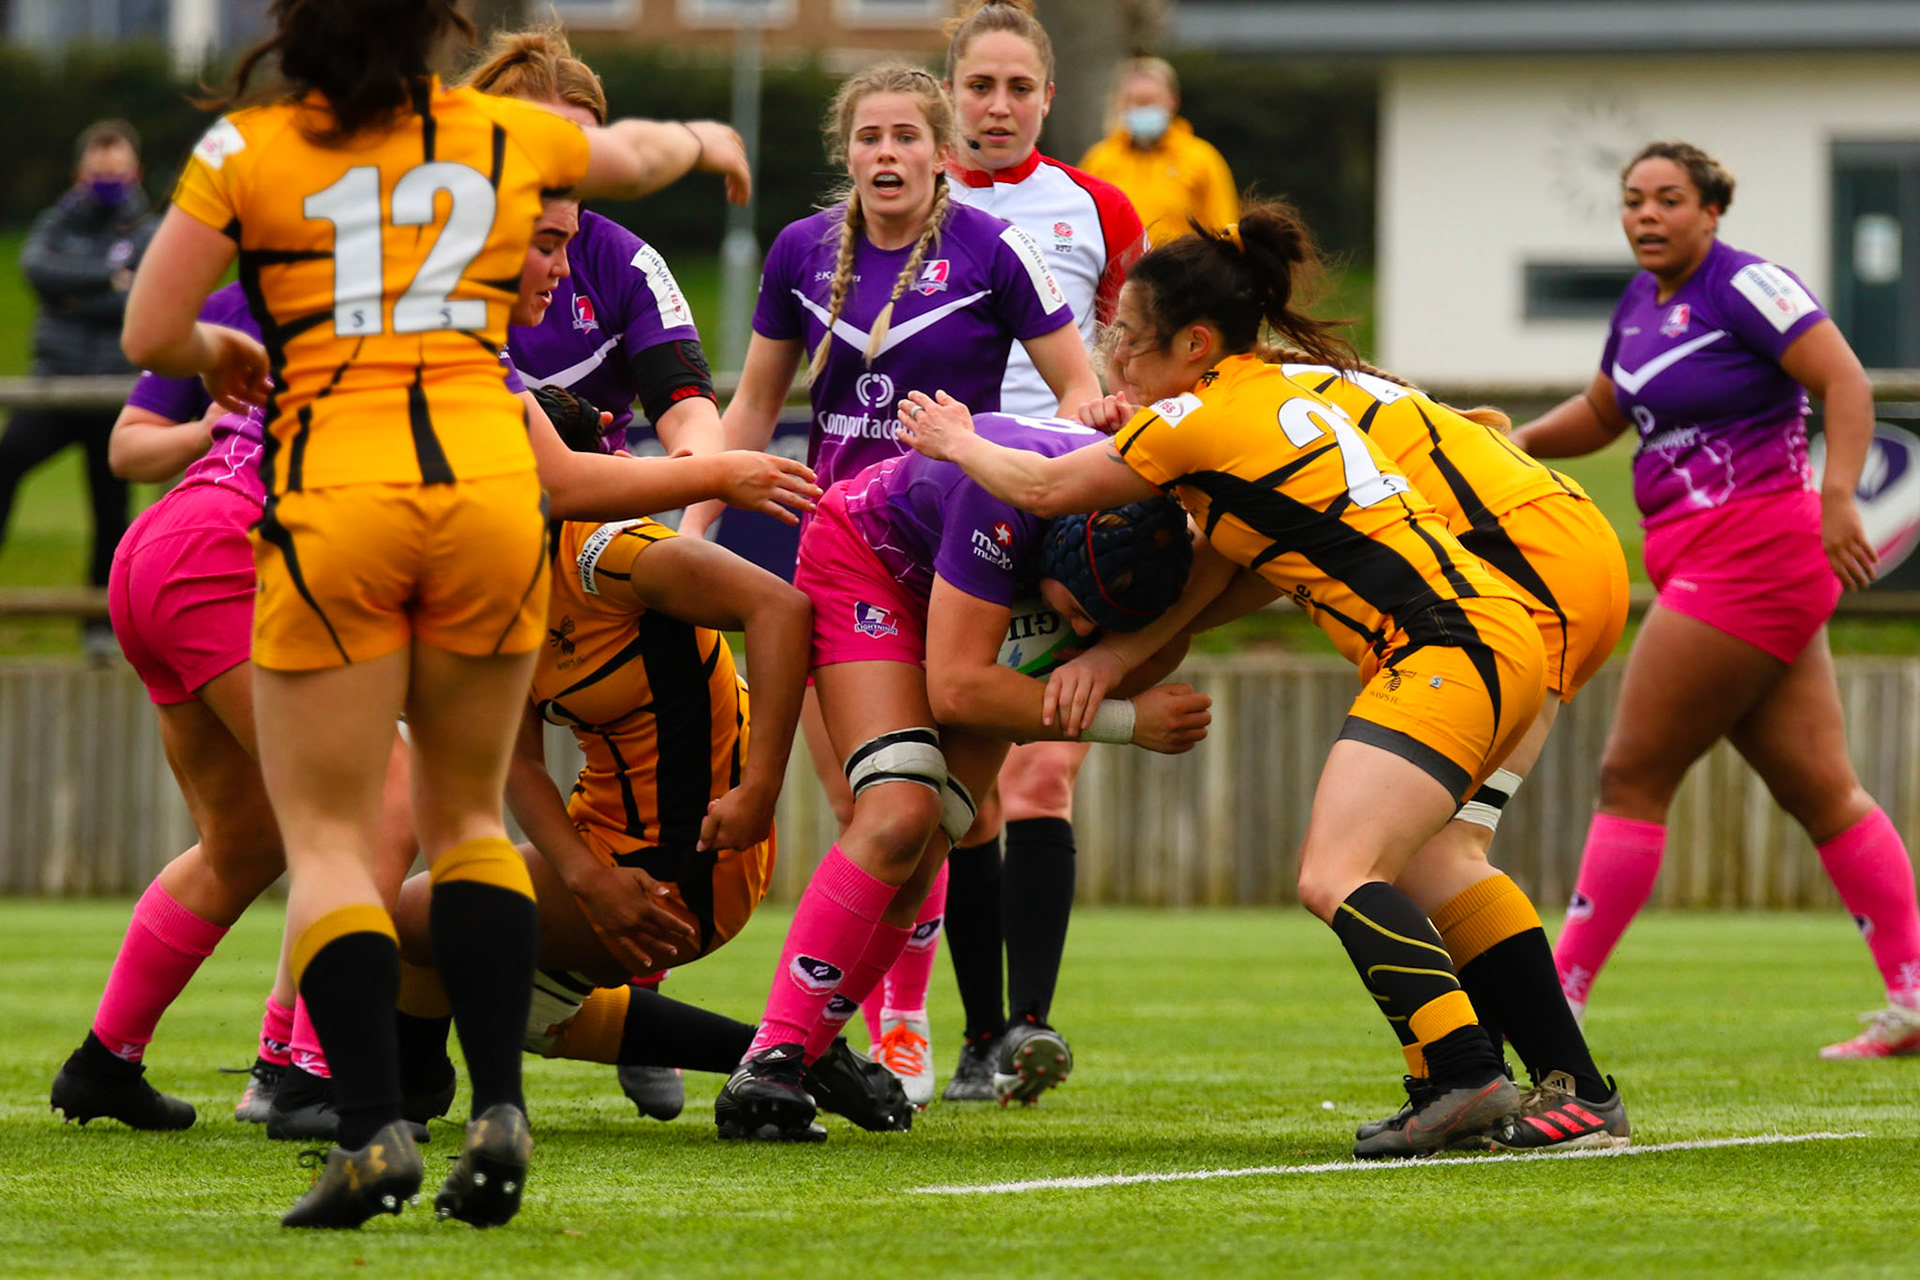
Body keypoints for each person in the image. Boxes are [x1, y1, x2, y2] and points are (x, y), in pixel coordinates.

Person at [118, 0, 766, 1228]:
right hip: (483, 490)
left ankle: (370, 1128)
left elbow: (153, 331)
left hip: (339, 496)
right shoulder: (492, 132)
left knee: (330, 835)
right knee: (471, 815)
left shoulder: (242, 152)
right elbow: (631, 156)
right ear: (438, 32)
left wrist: (220, 347)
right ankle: (498, 1106)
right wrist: (700, 138)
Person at [896, 202, 1567, 1157]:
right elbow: (1231, 558)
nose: (1114, 357)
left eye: (1126, 338)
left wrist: (956, 440)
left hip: (1443, 645)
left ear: (1194, 342)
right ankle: (1514, 1080)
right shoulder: (1275, 391)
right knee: (1414, 867)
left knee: (1337, 874)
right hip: (1491, 634)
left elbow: (1043, 488)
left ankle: (1464, 1075)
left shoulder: (1195, 418)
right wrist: (1120, 657)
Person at [677, 58, 1099, 1100]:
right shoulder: (799, 251)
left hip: (960, 553)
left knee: (947, 810)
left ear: (937, 148)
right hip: (840, 544)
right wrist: (697, 518)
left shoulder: (991, 250)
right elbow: (752, 404)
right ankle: (881, 1030)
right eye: (869, 138)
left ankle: (888, 1024)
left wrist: (1044, 479)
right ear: (846, 150)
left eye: (907, 137)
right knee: (873, 796)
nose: (886, 155)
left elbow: (1081, 388)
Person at [385, 387, 910, 1136]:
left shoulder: (608, 555)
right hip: (600, 846)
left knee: (420, 914)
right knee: (534, 1013)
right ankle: (787, 1056)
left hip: (693, 856)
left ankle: (400, 1085)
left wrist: (760, 790)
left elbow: (781, 610)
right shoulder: (479, 587)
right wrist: (585, 876)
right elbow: (517, 763)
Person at [1511, 141, 1920, 1059]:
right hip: (1714, 557)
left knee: (1631, 774)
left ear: (1712, 211)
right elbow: (1604, 414)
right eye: (1633, 201)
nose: (1648, 216)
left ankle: (1558, 1000)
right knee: (1822, 788)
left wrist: (1841, 494)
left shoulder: (1746, 284)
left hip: (1751, 554)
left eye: (1669, 200)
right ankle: (1916, 992)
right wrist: (1517, 441)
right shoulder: (1640, 302)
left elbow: (1845, 379)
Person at [714, 413, 1209, 1141]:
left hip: (987, 590)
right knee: (897, 808)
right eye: (1074, 617)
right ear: (1052, 565)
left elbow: (1173, 617)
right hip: (872, 565)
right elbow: (957, 691)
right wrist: (1130, 722)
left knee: (931, 842)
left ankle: (810, 1054)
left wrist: (1119, 656)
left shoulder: (1156, 519)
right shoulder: (1003, 508)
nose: (1079, 641)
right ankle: (770, 1057)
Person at [855, 0, 1152, 1108]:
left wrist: (1113, 408)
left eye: (1017, 87)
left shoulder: (1097, 207)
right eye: (977, 86)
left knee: (1032, 767)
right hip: (934, 509)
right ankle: (936, 1021)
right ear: (945, 95)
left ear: (1047, 97)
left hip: (1062, 513)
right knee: (940, 785)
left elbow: (1134, 341)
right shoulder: (889, 210)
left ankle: (1022, 1024)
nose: (996, 105)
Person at [460, 19, 725, 1124]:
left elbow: (686, 404)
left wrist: (699, 502)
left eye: (588, 148)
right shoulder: (437, 254)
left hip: (577, 555)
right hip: (448, 554)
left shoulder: (618, 258)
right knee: (407, 808)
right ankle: (305, 1045)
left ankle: (633, 991)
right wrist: (708, 139)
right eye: (552, 147)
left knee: (652, 776)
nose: (573, 178)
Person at [3, 119, 156, 655]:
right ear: (79, 174)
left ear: (135, 173)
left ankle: (101, 629)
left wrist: (75, 292)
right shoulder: (54, 224)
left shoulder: (148, 230)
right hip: (56, 387)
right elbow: (37, 269)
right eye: (98, 170)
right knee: (7, 460)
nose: (107, 179)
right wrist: (110, 279)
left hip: (116, 395)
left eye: (116, 171)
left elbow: (146, 297)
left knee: (110, 508)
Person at [1077, 57, 1237, 246]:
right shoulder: (1100, 159)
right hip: (1118, 273)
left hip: (1182, 271)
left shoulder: (1201, 159)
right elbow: (1081, 225)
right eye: (1136, 101)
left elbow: (1224, 228)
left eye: (1151, 101)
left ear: (1172, 101)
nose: (1143, 108)